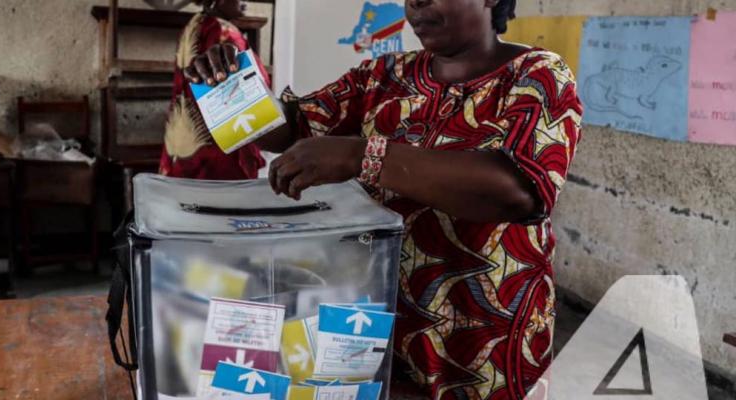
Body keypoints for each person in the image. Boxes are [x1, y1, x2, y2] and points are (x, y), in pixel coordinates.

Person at [187, 0, 583, 398]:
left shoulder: (538, 76)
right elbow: (294, 125)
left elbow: (516, 193)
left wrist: (361, 155)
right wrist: (236, 85)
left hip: (484, 337)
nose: (416, 3)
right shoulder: (384, 76)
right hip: (376, 326)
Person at [159, 0, 269, 179]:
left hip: (183, 139)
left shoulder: (193, 25)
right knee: (220, 203)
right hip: (216, 146)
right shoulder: (225, 32)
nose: (245, 2)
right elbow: (250, 87)